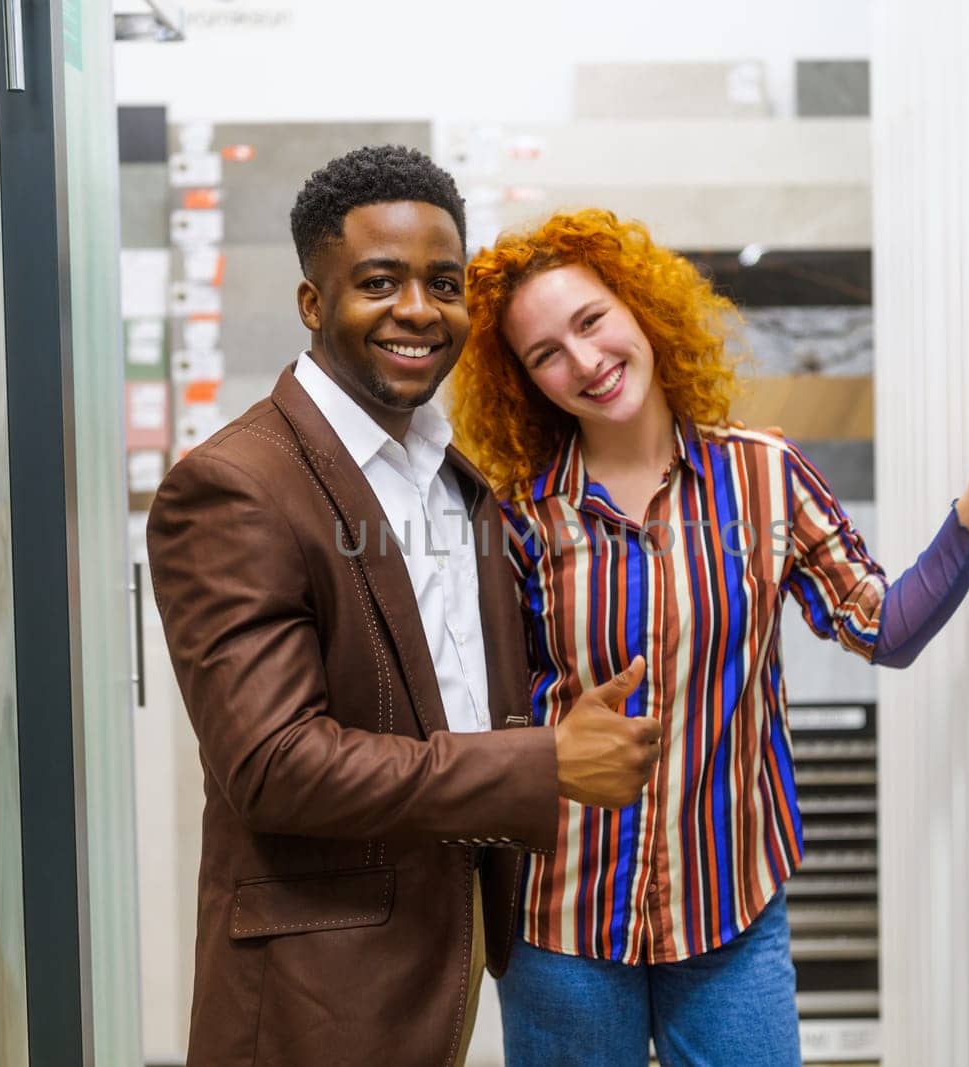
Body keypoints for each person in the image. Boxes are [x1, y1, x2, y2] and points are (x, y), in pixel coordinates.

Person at [448, 208, 969, 1066]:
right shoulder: (520, 520)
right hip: (561, 923)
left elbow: (884, 627)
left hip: (727, 911)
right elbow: (481, 718)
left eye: (591, 321)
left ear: (639, 308)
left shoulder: (765, 476)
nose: (583, 361)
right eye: (545, 353)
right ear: (525, 381)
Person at [146, 150, 662, 1067]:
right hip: (321, 982)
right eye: (379, 282)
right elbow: (273, 764)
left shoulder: (455, 481)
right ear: (313, 304)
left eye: (444, 283)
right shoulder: (234, 485)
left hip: (451, 946)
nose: (420, 310)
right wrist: (543, 762)